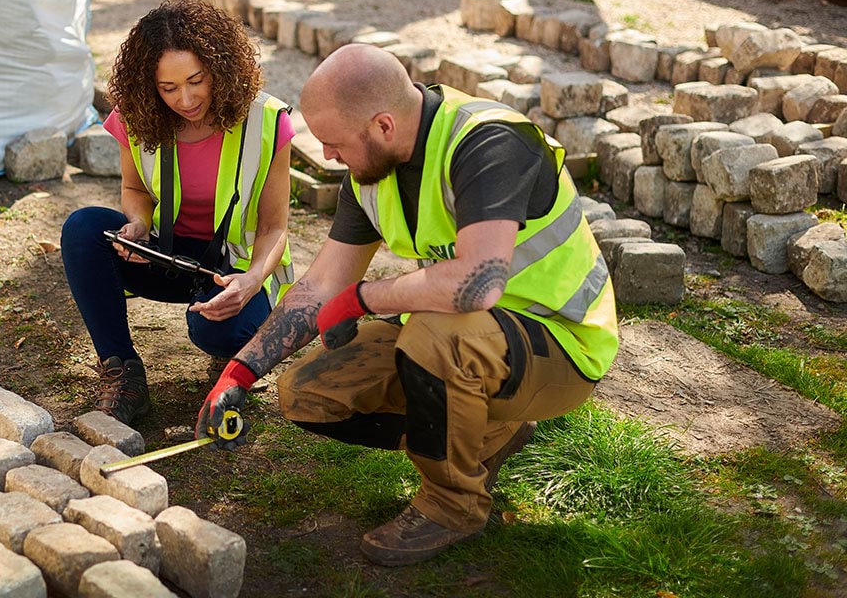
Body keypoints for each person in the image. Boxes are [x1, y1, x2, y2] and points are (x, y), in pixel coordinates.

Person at [195, 43, 619, 565]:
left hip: (561, 342)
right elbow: (323, 283)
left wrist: (365, 298)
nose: (327, 156)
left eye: (334, 143)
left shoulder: (490, 142)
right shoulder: (371, 170)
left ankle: (453, 506)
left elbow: (477, 284)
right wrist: (239, 373)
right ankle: (487, 432)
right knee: (308, 392)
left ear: (384, 125)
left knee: (433, 339)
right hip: (473, 337)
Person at [61, 0, 296, 426]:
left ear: (220, 69)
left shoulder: (268, 120)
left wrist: (251, 281)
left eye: (196, 81)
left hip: (235, 266)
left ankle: (241, 347)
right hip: (165, 256)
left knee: (218, 333)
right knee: (83, 228)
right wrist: (138, 225)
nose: (185, 99)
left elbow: (273, 226)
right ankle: (124, 374)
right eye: (168, 88)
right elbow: (134, 189)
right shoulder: (136, 114)